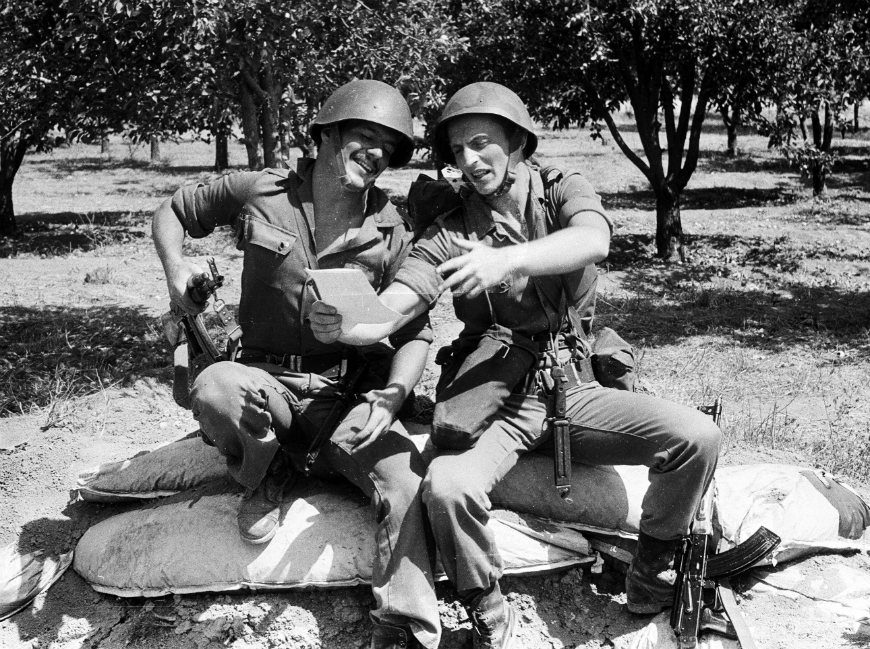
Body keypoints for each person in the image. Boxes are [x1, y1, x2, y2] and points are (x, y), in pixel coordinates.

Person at [310, 82, 722, 649]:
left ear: (519, 143)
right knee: (447, 485)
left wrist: (508, 258)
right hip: (498, 397)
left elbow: (593, 240)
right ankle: (487, 608)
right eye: (457, 152)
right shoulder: (453, 228)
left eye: (481, 144)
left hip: (572, 387)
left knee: (697, 436)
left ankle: (652, 567)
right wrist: (355, 323)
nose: (469, 162)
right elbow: (402, 299)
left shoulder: (560, 191)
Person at [152, 79, 440, 649]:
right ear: (328, 135)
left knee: (408, 483)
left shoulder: (391, 228)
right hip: (263, 381)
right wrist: (176, 269)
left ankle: (403, 623)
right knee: (213, 388)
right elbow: (173, 211)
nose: (377, 153)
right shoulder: (262, 190)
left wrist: (396, 395)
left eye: (389, 146)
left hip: (344, 396)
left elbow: (416, 331)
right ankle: (266, 469)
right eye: (364, 136)